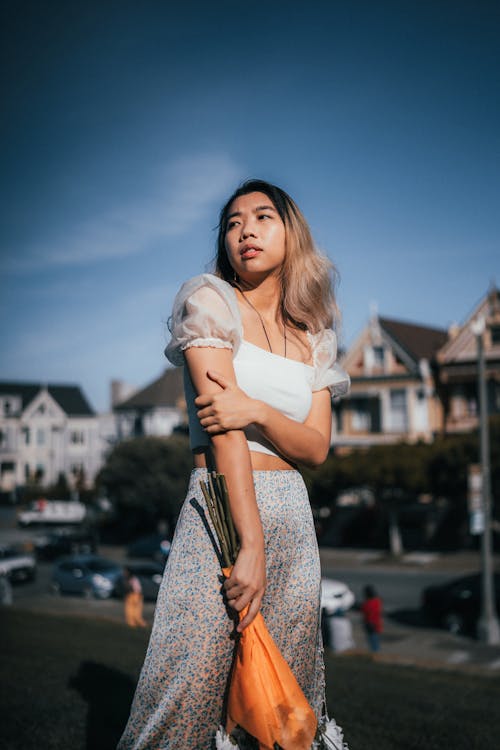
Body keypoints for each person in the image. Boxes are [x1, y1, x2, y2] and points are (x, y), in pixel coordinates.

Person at [117, 179, 350, 749]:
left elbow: (315, 448)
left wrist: (259, 410)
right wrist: (251, 544)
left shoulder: (314, 335)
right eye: (232, 221)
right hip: (221, 510)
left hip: (294, 519)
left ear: (291, 234)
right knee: (184, 691)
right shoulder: (208, 301)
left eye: (263, 216)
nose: (246, 229)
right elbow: (225, 436)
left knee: (277, 707)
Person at [361, 584, 383, 653]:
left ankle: (375, 655)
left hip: (370, 625)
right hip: (377, 624)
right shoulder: (377, 601)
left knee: (373, 642)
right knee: (376, 642)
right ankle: (376, 653)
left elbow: (365, 612)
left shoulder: (367, 603)